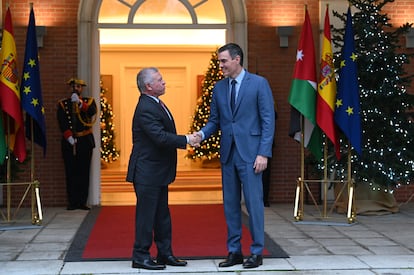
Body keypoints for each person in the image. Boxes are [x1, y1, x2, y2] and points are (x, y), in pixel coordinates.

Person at [195, 43, 275, 268]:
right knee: (230, 205)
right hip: (228, 154)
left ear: (237, 59)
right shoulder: (219, 88)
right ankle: (234, 252)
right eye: (220, 61)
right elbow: (215, 121)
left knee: (253, 204)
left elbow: (268, 121)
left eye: (224, 61)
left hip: (251, 155)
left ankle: (257, 252)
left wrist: (263, 153)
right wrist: (200, 134)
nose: (221, 65)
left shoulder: (259, 84)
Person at [126, 67, 199, 270]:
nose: (164, 82)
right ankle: (140, 255)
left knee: (161, 215)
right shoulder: (146, 107)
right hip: (147, 171)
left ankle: (164, 254)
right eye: (160, 80)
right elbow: (159, 137)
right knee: (146, 216)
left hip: (156, 172)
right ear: (149, 86)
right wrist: (187, 139)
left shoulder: (154, 103)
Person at [57, 77, 97, 211]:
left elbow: (92, 112)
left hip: (84, 141)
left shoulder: (89, 101)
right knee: (71, 171)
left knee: (83, 172)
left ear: (82, 89)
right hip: (70, 142)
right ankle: (72, 201)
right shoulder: (63, 104)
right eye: (74, 87)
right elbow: (62, 121)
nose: (77, 89)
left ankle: (82, 201)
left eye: (79, 87)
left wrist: (80, 104)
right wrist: (68, 137)